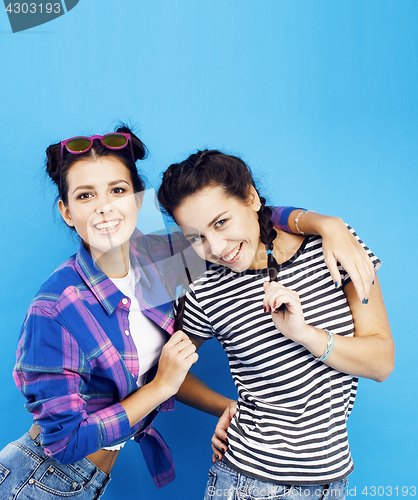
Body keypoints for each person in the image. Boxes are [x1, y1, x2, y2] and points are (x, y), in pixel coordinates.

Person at [0, 127, 377, 500]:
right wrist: (160, 388)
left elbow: (238, 213)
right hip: (36, 479)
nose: (104, 207)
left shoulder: (162, 256)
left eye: (118, 190)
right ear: (66, 212)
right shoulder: (55, 308)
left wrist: (325, 224)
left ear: (137, 201)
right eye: (85, 196)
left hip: (89, 480)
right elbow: (64, 445)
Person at [157, 149, 394, 500]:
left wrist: (305, 335)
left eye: (221, 222)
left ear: (251, 197)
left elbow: (381, 363)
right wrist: (226, 407)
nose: (218, 247)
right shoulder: (204, 288)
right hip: (249, 482)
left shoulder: (331, 248)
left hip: (334, 481)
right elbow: (164, 374)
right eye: (197, 238)